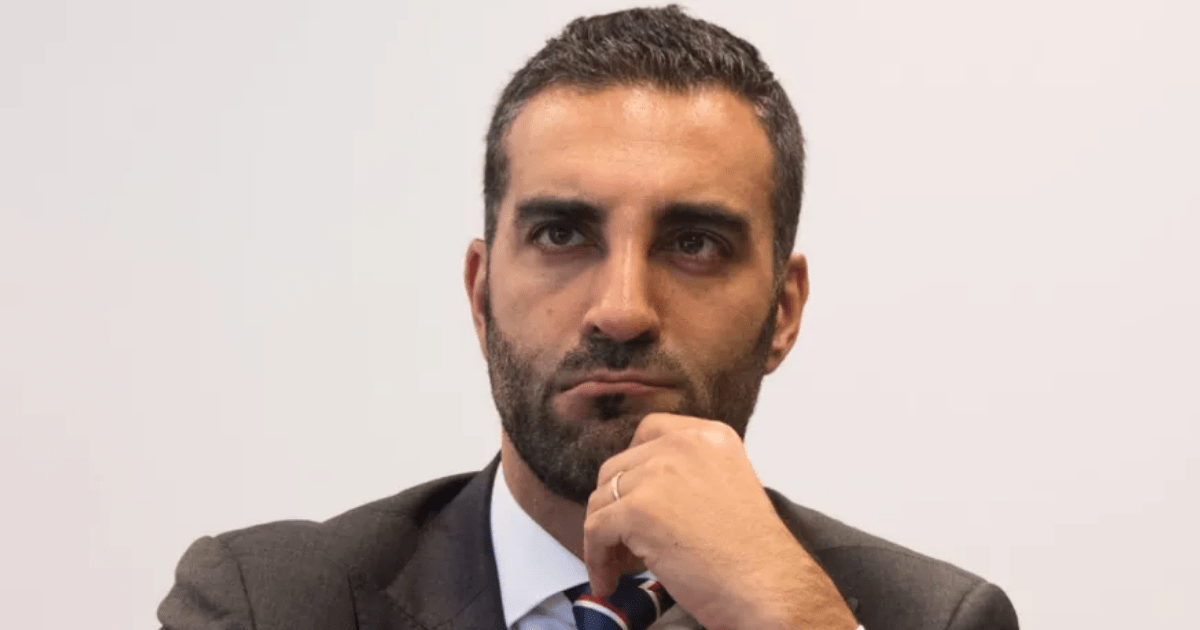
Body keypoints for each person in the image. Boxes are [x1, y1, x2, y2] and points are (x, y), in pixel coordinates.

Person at [157, 5, 1019, 630]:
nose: (622, 310)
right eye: (562, 235)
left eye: (694, 244)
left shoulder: (932, 618)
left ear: (783, 310)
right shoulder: (268, 605)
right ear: (480, 292)